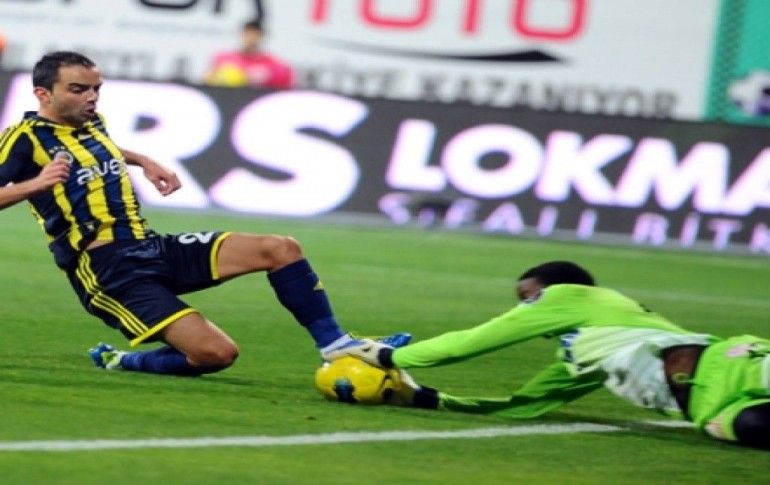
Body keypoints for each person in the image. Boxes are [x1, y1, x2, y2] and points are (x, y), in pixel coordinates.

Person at [0, 50, 392, 377]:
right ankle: (123, 361)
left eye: (96, 89)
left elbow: (100, 149)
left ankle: (335, 344)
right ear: (43, 94)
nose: (92, 98)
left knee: (281, 248)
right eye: (78, 89)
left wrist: (143, 160)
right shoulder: (23, 139)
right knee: (217, 354)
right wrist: (35, 185)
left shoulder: (91, 123)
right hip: (110, 271)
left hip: (151, 246)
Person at [329, 261, 770, 450]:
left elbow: (472, 341)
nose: (525, 308)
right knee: (748, 429)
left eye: (528, 298)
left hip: (735, 363)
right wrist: (427, 399)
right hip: (715, 408)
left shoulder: (571, 295)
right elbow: (525, 405)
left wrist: (383, 356)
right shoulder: (586, 354)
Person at [205, 18, 293, 89]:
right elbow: (208, 78)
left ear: (261, 37)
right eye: (248, 34)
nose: (251, 39)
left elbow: (286, 77)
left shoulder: (271, 62)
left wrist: (267, 75)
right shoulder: (224, 58)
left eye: (255, 35)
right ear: (242, 35)